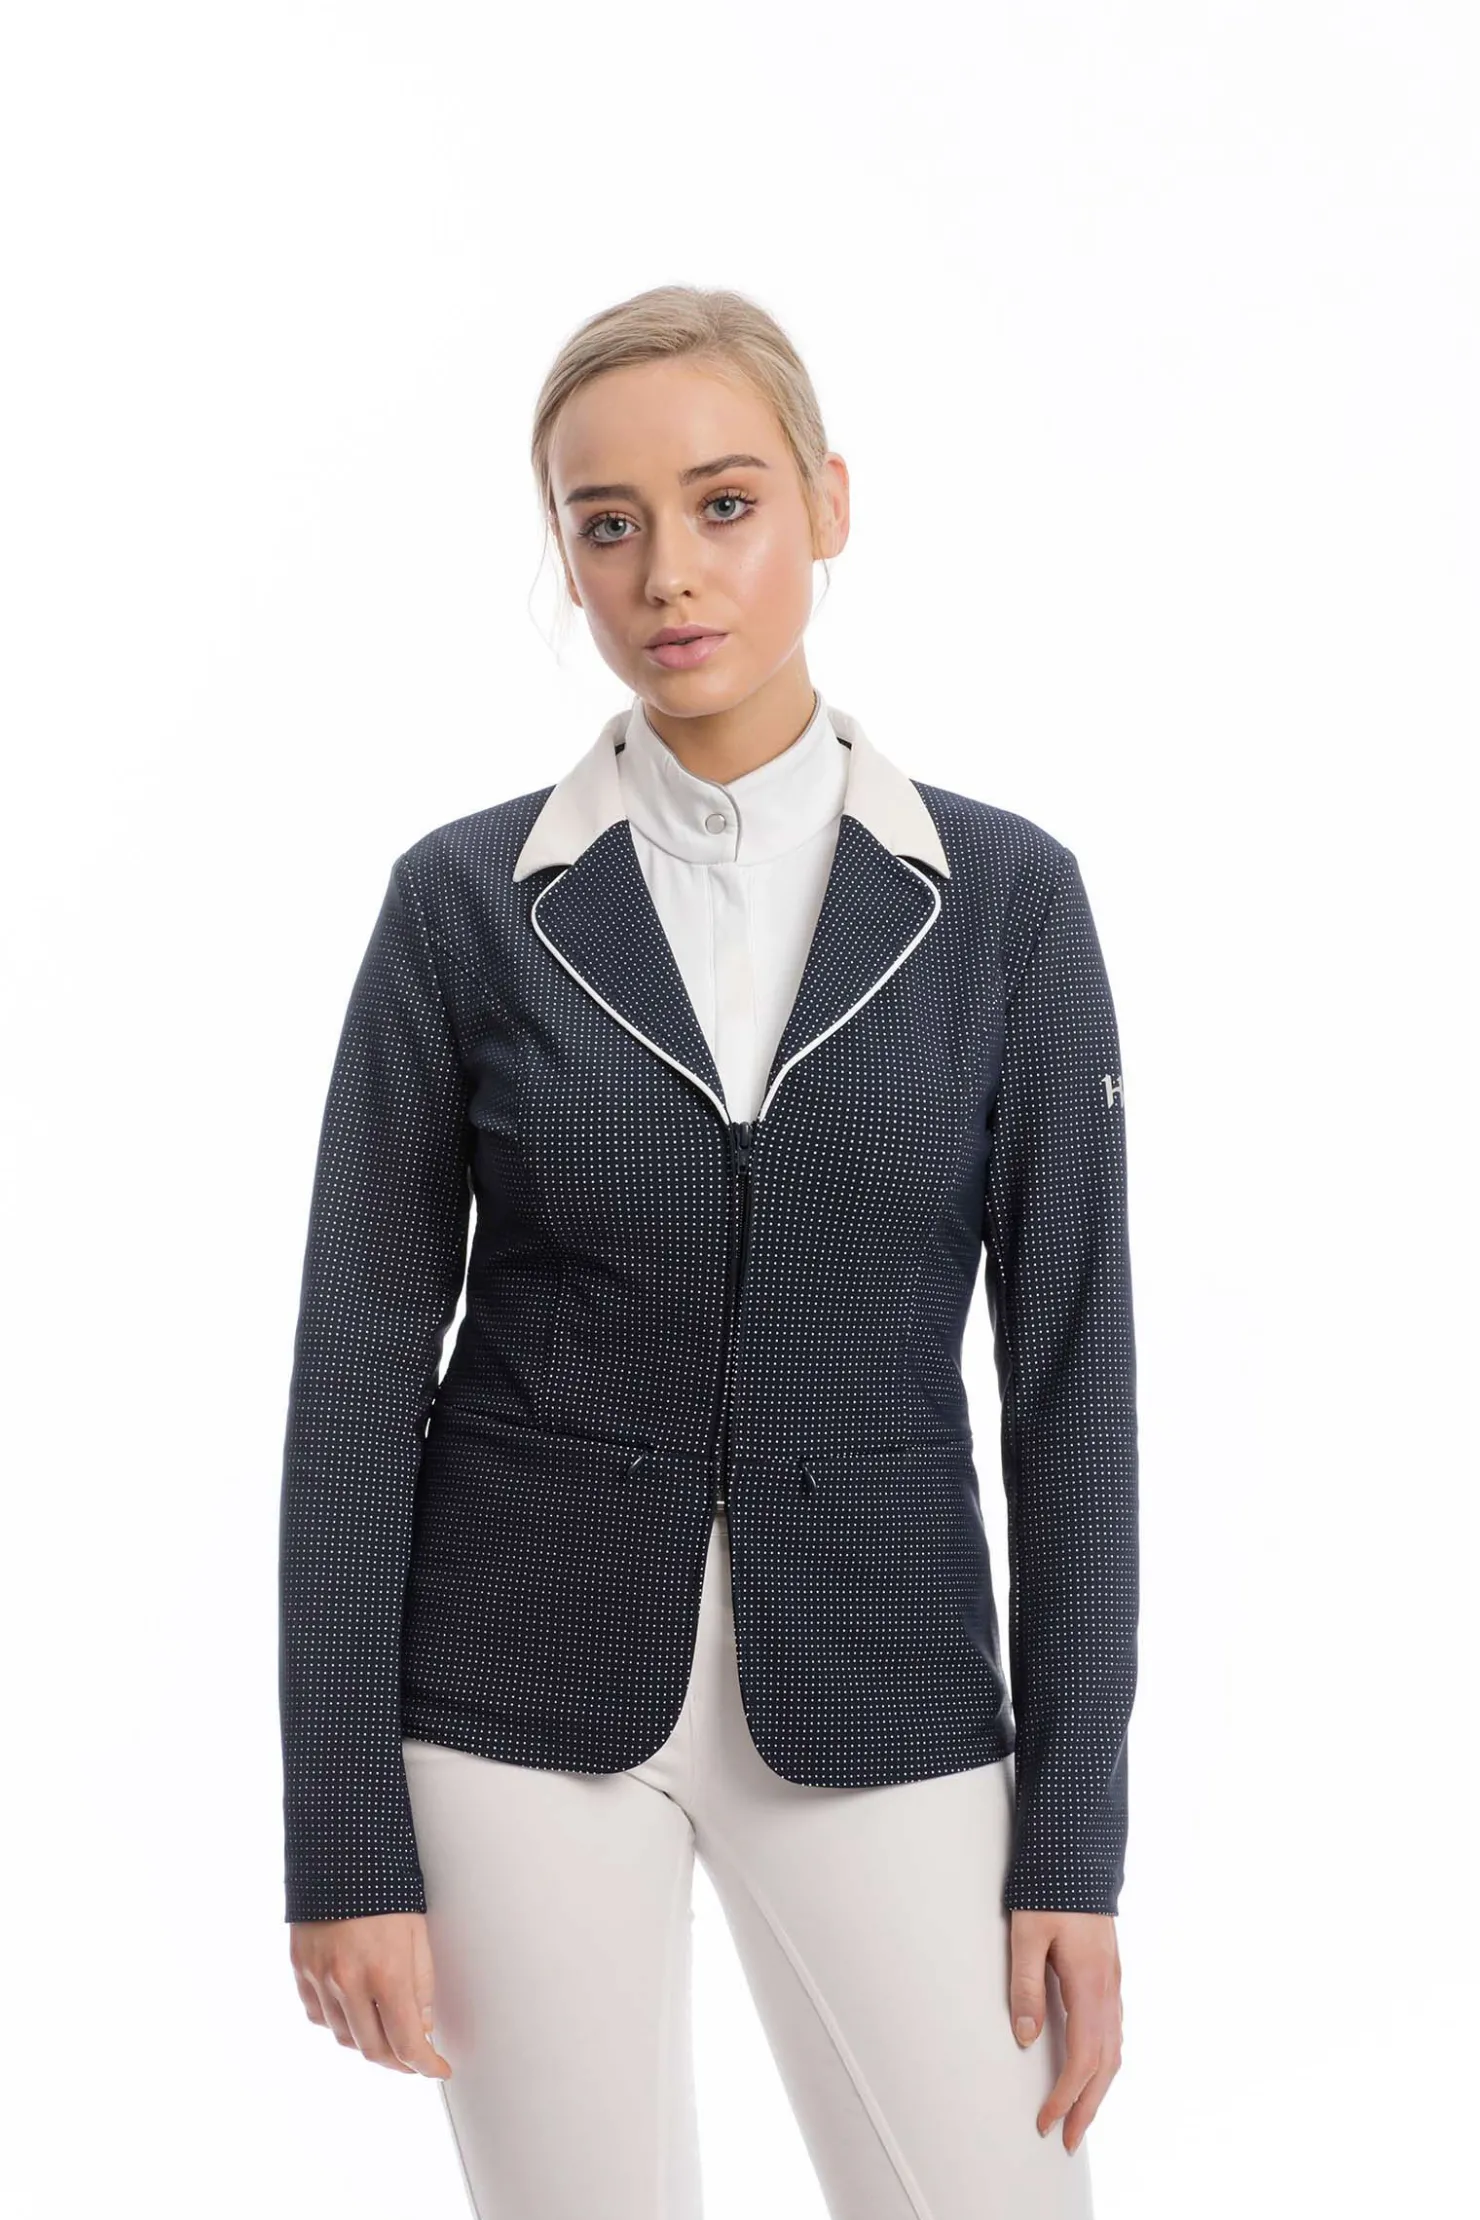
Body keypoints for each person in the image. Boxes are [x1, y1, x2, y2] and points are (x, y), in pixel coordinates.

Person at [278, 283, 1138, 2219]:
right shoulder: (463, 908)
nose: (667, 571)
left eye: (724, 503)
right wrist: (343, 1840)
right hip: (509, 1702)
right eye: (607, 524)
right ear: (565, 553)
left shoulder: (1004, 905)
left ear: (827, 504)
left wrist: (1072, 1843)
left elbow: (1073, 1386)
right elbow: (353, 1379)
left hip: (887, 1686)